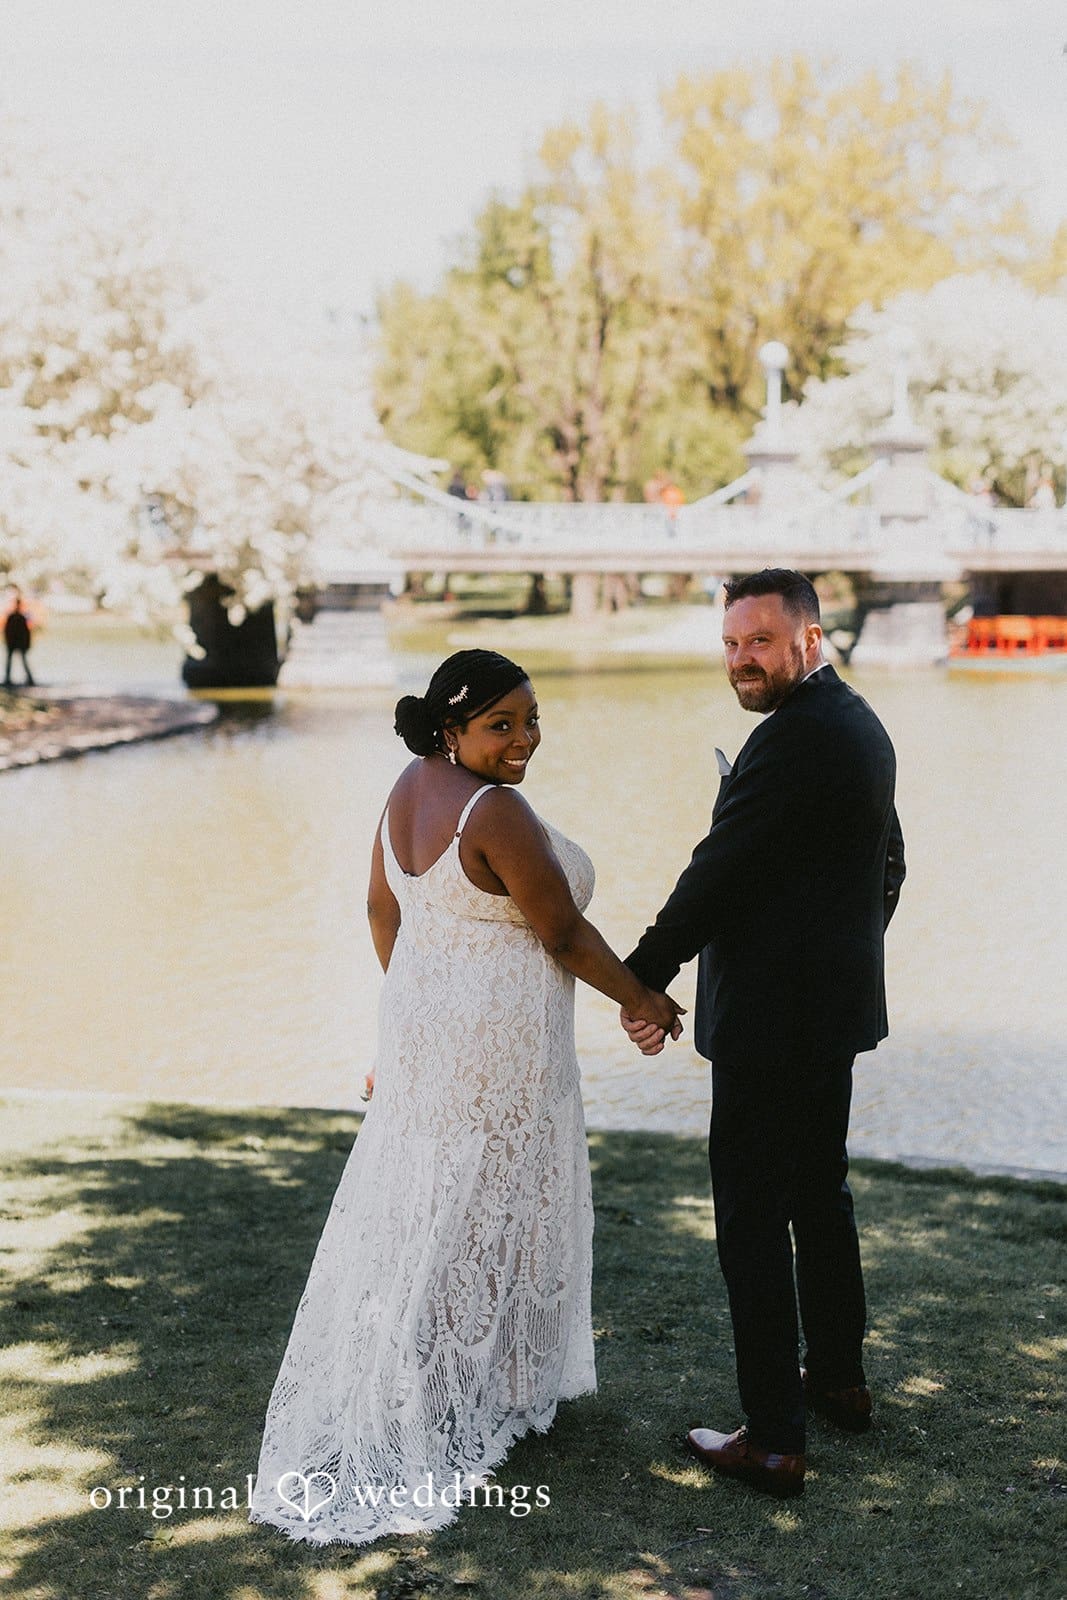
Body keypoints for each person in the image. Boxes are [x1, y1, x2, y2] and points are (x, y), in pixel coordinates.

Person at [250, 649, 683, 1545]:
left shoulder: (407, 788)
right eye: (501, 724)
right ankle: (462, 1392)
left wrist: (414, 1013)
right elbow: (560, 931)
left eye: (531, 720)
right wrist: (642, 999)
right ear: (451, 728)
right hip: (501, 1046)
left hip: (432, 1030)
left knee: (431, 1206)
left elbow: (384, 912)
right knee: (492, 1203)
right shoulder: (496, 810)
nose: (524, 740)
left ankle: (457, 1384)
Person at [621, 569, 905, 1500]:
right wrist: (837, 953)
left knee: (750, 1222)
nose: (742, 660)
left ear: (808, 640)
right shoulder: (856, 725)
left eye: (760, 641)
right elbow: (887, 865)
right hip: (828, 1016)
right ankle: (838, 1382)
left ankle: (775, 1438)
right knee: (819, 1199)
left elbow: (715, 874)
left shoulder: (790, 741)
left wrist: (641, 978)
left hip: (771, 1028)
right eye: (731, 643)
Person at [3, 592, 35, 688]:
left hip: (17, 642)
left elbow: (26, 632)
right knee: (12, 660)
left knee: (20, 660)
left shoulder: (20, 617)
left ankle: (29, 679)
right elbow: (7, 631)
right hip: (14, 642)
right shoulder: (14, 617)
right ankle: (9, 679)